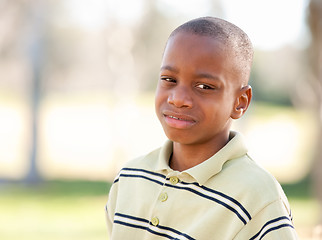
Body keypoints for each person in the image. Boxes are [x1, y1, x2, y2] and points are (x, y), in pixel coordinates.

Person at [105, 17, 298, 239]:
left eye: (204, 86)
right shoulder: (130, 177)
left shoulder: (258, 197)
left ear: (240, 102)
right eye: (169, 79)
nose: (178, 99)